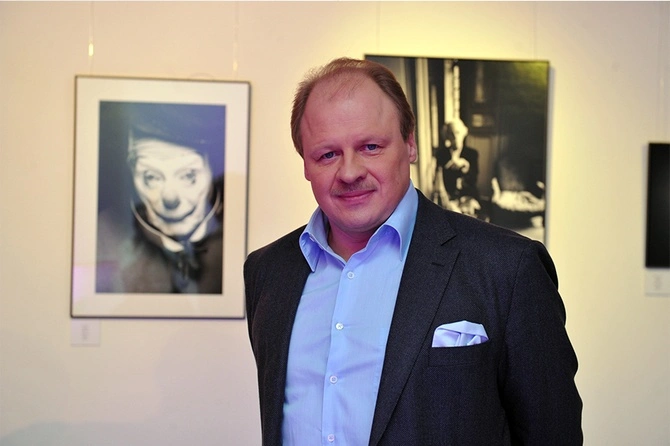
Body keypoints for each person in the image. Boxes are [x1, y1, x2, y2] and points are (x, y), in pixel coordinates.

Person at [244, 57, 582, 445]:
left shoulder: (507, 268)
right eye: (327, 154)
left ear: (410, 144)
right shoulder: (268, 272)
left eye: (371, 146)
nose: (350, 172)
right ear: (305, 163)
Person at [96, 103, 224, 294]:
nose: (170, 198)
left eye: (188, 175)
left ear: (211, 170)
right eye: (151, 177)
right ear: (132, 172)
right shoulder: (105, 236)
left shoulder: (235, 245)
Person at [433, 118, 481, 216]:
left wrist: (466, 167)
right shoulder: (441, 154)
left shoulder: (472, 154)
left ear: (463, 134)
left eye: (458, 133)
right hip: (448, 198)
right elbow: (438, 181)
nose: (455, 137)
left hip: (468, 196)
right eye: (451, 134)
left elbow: (474, 179)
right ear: (447, 136)